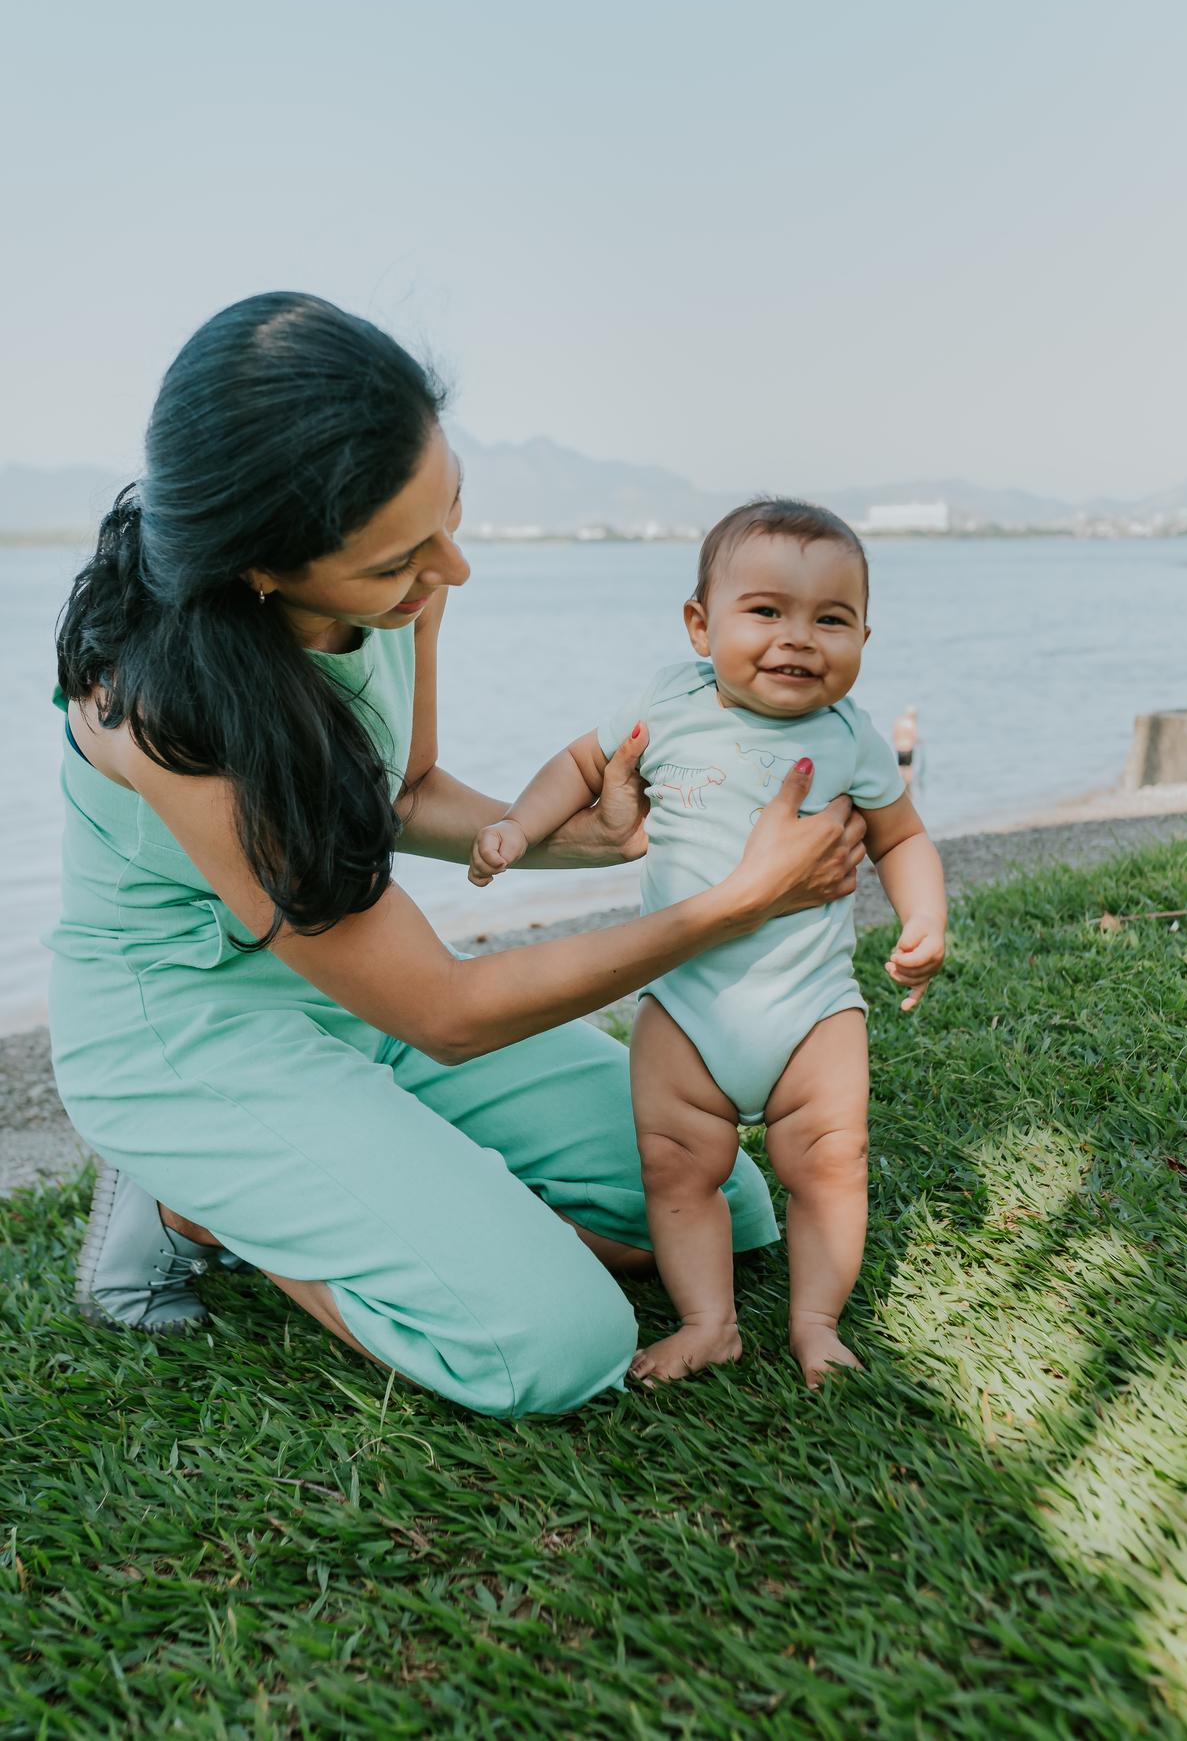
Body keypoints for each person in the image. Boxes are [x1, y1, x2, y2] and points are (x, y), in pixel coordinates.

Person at [48, 295, 869, 1418]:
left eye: (453, 510)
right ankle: (195, 1202)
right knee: (556, 1346)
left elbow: (404, 792)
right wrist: (733, 906)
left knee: (723, 1203)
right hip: (199, 1034)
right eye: (402, 561)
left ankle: (364, 1170)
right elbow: (443, 1010)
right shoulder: (167, 712)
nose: (454, 571)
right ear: (260, 572)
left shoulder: (400, 588)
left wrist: (577, 843)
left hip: (355, 995)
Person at [467, 501, 947, 1387]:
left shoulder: (851, 738)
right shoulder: (666, 704)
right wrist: (515, 828)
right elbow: (578, 765)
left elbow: (903, 836)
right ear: (701, 624)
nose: (799, 638)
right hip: (684, 1005)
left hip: (812, 1008)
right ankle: (708, 1321)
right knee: (675, 1166)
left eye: (831, 619)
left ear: (865, 636)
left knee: (830, 1163)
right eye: (767, 611)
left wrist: (925, 919)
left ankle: (816, 1324)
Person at [893, 704, 919, 791]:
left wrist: (897, 744)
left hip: (899, 747)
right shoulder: (911, 722)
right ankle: (909, 787)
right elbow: (913, 736)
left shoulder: (899, 721)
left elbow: (894, 734)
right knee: (908, 768)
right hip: (907, 747)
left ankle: (899, 786)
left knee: (900, 767)